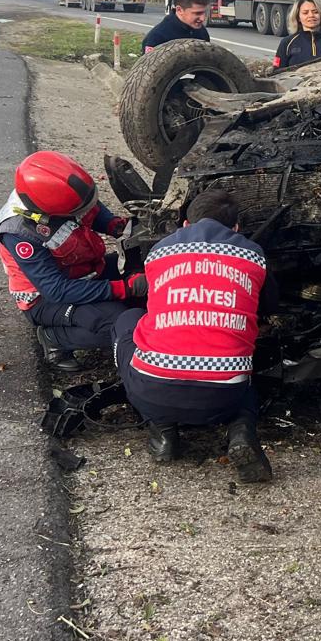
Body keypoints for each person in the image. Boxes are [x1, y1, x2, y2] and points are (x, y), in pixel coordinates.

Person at [113, 188, 276, 482]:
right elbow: (270, 305)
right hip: (223, 398)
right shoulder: (253, 254)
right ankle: (241, 430)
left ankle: (162, 433)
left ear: (185, 225)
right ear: (236, 227)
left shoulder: (159, 250)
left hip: (153, 392)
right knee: (244, 365)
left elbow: (152, 300)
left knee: (126, 321)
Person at [0, 150, 145, 371]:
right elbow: (57, 290)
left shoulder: (63, 191)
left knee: (146, 268)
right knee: (117, 322)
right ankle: (54, 337)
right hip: (46, 299)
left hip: (85, 271)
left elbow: (90, 209)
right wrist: (124, 289)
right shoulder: (19, 234)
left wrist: (115, 226)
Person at [273, 0, 321, 69]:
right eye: (305, 13)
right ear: (298, 17)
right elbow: (277, 73)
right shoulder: (287, 43)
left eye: (315, 12)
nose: (311, 15)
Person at [143, 0, 212, 51]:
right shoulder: (156, 38)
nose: (203, 18)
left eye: (205, 12)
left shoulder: (201, 32)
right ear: (179, 10)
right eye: (197, 13)